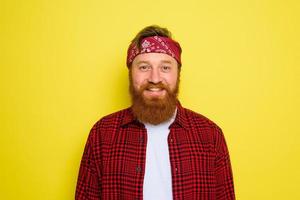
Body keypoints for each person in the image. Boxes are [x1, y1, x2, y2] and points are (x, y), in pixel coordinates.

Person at [75, 25, 235, 200]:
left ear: (178, 74)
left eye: (165, 68)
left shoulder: (210, 135)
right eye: (144, 67)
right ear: (130, 74)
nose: (155, 78)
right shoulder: (102, 133)